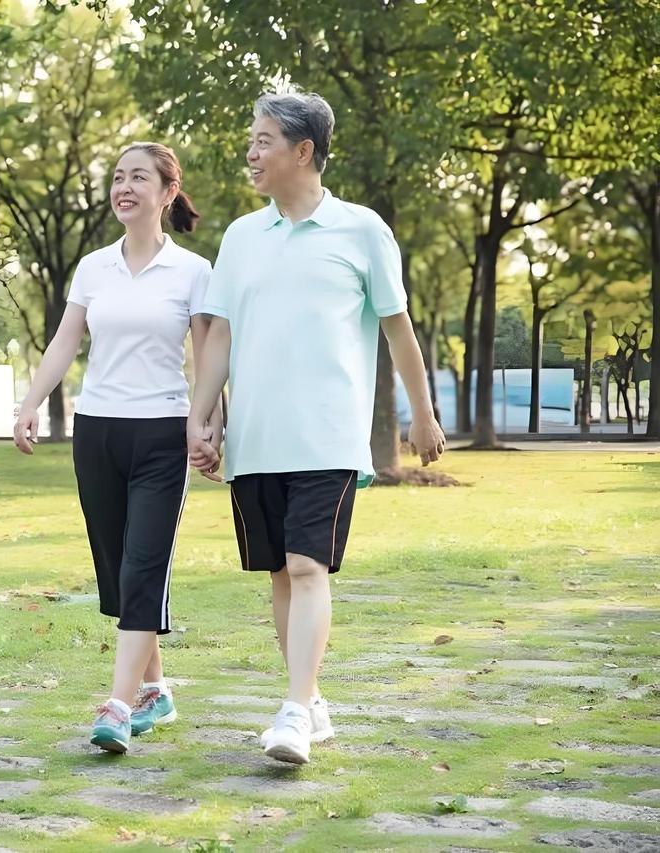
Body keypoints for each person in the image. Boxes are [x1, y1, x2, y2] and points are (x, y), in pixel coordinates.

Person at [188, 91, 446, 765]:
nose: (251, 152)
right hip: (256, 438)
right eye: (251, 139)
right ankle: (311, 698)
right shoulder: (242, 237)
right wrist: (202, 419)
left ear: (303, 151)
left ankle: (296, 710)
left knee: (307, 565)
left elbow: (397, 327)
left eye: (264, 140)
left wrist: (421, 412)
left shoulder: (363, 230)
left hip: (328, 436)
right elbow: (218, 337)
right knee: (278, 571)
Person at [13, 142, 216, 753]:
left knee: (143, 565)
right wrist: (28, 404)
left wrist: (206, 424)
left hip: (162, 431)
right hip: (97, 431)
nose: (124, 187)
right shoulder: (94, 268)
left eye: (138, 178)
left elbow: (207, 357)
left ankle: (119, 706)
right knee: (118, 574)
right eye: (118, 178)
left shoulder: (193, 272)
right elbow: (64, 342)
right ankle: (158, 691)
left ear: (167, 192)